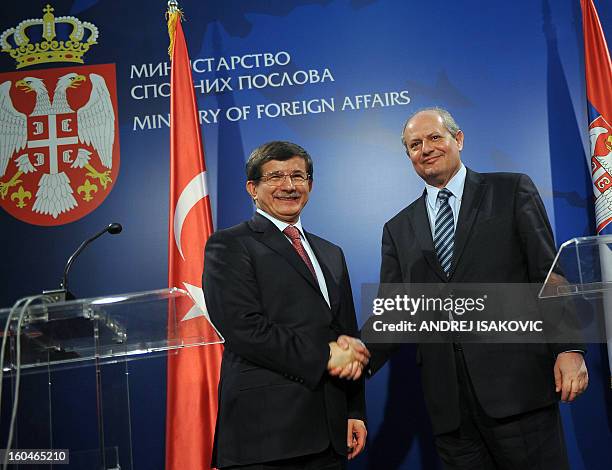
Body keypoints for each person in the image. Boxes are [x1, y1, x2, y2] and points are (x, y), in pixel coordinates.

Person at [338, 108, 588, 469]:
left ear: (459, 139)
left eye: (435, 138)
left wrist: (569, 348)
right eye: (414, 144)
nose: (425, 149)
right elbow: (394, 314)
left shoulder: (511, 190)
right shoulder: (398, 228)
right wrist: (357, 352)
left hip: (518, 393)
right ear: (408, 155)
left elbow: (548, 274)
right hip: (450, 410)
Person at [203, 141, 368, 469]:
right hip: (266, 437)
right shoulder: (230, 244)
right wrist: (324, 356)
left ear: (310, 184)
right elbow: (244, 329)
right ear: (252, 188)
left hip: (330, 433)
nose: (289, 186)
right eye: (275, 177)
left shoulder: (331, 253)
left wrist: (354, 411)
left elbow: (346, 336)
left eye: (298, 175)